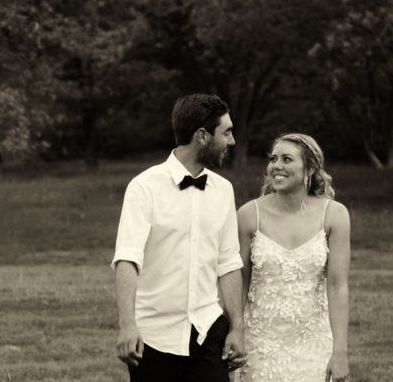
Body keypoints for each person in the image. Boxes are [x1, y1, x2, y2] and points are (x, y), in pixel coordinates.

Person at [112, 94, 247, 382]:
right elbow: (127, 259)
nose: (231, 141)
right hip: (154, 337)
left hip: (208, 331)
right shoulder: (143, 188)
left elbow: (229, 262)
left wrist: (237, 326)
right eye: (226, 132)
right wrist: (127, 325)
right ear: (202, 136)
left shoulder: (223, 190)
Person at [236, 133, 350, 382]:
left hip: (313, 344)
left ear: (309, 167)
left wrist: (339, 351)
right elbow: (239, 284)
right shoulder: (248, 215)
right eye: (273, 158)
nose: (276, 166)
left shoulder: (334, 215)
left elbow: (337, 286)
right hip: (260, 346)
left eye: (287, 159)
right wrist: (234, 332)